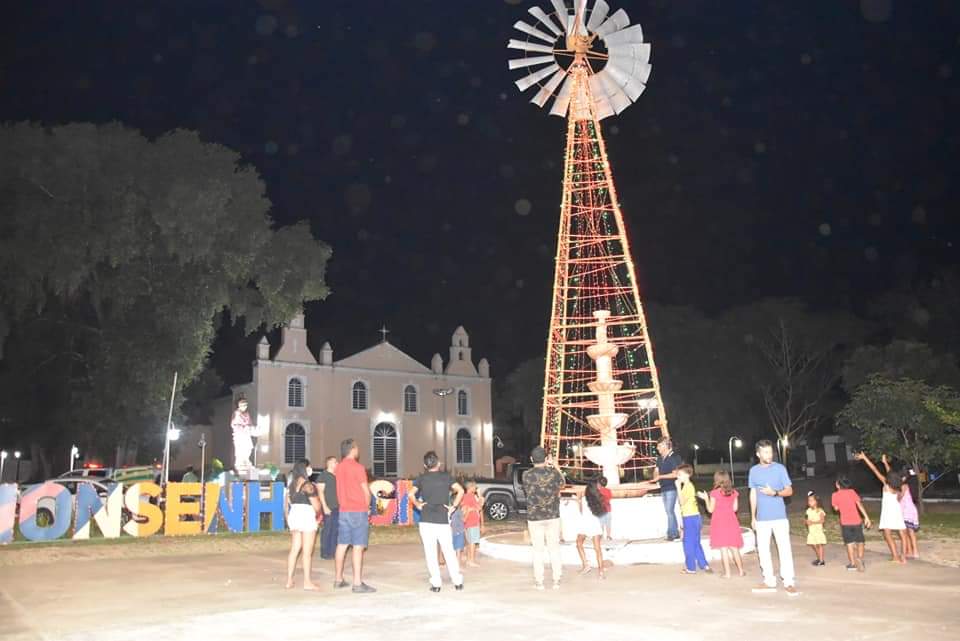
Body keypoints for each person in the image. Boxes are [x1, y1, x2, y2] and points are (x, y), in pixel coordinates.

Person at [408, 450, 464, 592]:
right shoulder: (446, 477)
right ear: (438, 463)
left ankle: (436, 584)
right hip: (442, 519)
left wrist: (418, 505)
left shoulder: (421, 478)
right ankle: (457, 582)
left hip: (426, 519)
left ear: (425, 465)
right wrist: (453, 507)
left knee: (430, 553)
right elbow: (461, 490)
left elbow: (410, 493)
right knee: (449, 551)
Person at [749, 439, 799, 595]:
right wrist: (753, 517)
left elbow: (789, 491)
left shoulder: (779, 469)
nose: (769, 455)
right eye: (765, 452)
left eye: (770, 452)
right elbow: (753, 494)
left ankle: (788, 581)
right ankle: (769, 580)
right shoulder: (754, 471)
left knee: (784, 550)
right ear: (758, 454)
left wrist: (775, 493)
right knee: (763, 551)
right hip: (762, 519)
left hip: (779, 517)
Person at [334, 439, 376, 593]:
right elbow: (365, 491)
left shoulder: (339, 468)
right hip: (358, 510)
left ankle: (338, 579)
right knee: (358, 547)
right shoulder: (358, 468)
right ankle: (357, 583)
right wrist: (368, 508)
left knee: (342, 545)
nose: (358, 450)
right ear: (352, 449)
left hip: (343, 510)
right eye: (357, 447)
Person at [522, 446, 565, 591]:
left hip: (535, 517)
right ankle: (556, 580)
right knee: (554, 549)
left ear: (531, 459)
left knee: (538, 550)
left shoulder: (526, 475)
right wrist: (555, 465)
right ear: (546, 459)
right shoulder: (553, 473)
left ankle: (539, 582)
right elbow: (563, 483)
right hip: (552, 516)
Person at [856, 452, 907, 564]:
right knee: (903, 534)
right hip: (897, 511)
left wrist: (865, 458)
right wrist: (885, 463)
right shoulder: (899, 487)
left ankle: (895, 557)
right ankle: (903, 557)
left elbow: (874, 469)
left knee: (887, 534)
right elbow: (891, 473)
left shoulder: (886, 485)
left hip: (888, 512)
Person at [699, 469, 744, 578]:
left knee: (723, 549)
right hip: (732, 521)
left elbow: (710, 510)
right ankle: (741, 571)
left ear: (717, 479)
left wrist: (706, 499)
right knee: (734, 548)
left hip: (719, 522)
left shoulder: (714, 493)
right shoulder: (733, 492)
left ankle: (727, 574)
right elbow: (735, 508)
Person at [285, 459, 322, 591]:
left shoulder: (292, 485)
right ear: (304, 469)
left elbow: (287, 503)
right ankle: (307, 582)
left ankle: (289, 580)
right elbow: (316, 506)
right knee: (307, 552)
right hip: (306, 516)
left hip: (294, 515)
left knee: (294, 549)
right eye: (308, 467)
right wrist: (318, 512)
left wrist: (288, 519)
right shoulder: (308, 485)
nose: (310, 469)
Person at [883, 455, 920, 559]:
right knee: (907, 532)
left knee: (909, 532)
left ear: (903, 478)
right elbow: (890, 474)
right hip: (907, 510)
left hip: (907, 511)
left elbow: (900, 497)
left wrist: (895, 498)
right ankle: (910, 551)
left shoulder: (903, 486)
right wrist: (885, 463)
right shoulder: (903, 485)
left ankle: (914, 551)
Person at [831, 475, 871, 572]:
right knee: (860, 541)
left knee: (849, 543)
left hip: (845, 522)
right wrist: (866, 517)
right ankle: (860, 559)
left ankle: (852, 564)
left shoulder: (835, 495)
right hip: (856, 521)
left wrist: (840, 505)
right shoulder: (852, 492)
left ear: (837, 485)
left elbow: (836, 508)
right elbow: (859, 505)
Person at [677, 464, 711, 575]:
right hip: (694, 516)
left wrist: (678, 487)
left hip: (690, 517)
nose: (678, 477)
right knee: (696, 543)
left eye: (680, 474)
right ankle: (704, 564)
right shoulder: (689, 486)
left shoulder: (687, 487)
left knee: (688, 544)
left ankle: (690, 567)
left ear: (687, 474)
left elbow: (682, 502)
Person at [575, 479, 608, 579]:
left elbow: (581, 512)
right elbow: (602, 513)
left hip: (585, 524)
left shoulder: (584, 498)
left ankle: (586, 565)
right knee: (598, 549)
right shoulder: (599, 498)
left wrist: (578, 500)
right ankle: (601, 572)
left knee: (579, 543)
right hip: (595, 524)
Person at [653, 437, 682, 541]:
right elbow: (656, 470)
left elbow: (675, 474)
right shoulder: (660, 458)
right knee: (669, 511)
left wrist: (660, 477)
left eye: (659, 446)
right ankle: (673, 533)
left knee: (669, 510)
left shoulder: (674, 457)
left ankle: (673, 534)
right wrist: (656, 476)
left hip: (672, 487)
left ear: (666, 446)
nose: (657, 448)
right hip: (664, 487)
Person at [316, 455, 339, 560]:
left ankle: (333, 552)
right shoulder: (323, 476)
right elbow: (320, 492)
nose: (337, 463)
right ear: (329, 463)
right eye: (335, 462)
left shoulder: (337, 475)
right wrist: (324, 506)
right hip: (328, 507)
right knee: (327, 530)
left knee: (336, 530)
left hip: (338, 507)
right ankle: (325, 552)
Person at [461, 481, 484, 567]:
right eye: (475, 487)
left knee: (469, 541)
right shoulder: (470, 496)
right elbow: (479, 507)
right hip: (472, 522)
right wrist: (480, 495)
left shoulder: (465, 496)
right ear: (470, 488)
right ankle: (471, 560)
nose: (476, 488)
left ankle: (468, 559)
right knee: (473, 542)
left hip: (469, 522)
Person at [230, 397, 255, 475]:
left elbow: (250, 423)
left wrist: (250, 427)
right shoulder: (236, 413)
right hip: (240, 435)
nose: (245, 406)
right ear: (239, 405)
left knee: (248, 448)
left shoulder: (247, 414)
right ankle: (240, 464)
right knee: (240, 450)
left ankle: (246, 461)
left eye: (246, 405)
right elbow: (233, 424)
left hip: (246, 434)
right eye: (243, 405)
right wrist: (242, 427)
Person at [805, 491, 826, 567]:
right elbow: (807, 519)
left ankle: (821, 561)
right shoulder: (808, 510)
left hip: (818, 531)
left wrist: (813, 522)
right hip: (811, 531)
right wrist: (806, 522)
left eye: (811, 500)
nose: (809, 502)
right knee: (813, 545)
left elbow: (822, 520)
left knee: (819, 545)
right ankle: (819, 558)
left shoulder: (820, 511)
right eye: (809, 500)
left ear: (816, 502)